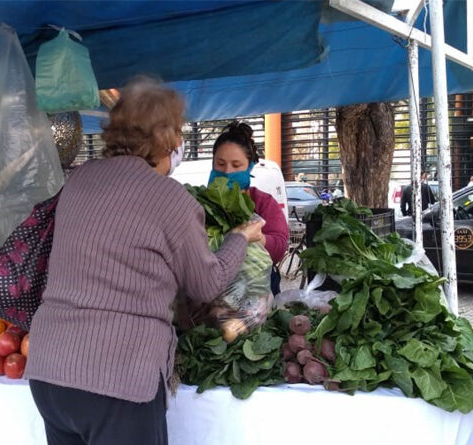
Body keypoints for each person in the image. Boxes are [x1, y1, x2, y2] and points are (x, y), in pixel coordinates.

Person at [25, 78, 264, 445]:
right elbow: (207, 283)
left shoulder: (79, 180)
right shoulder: (171, 200)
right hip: (116, 377)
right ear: (168, 139)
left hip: (51, 371)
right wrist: (238, 238)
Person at [209, 122, 289, 266]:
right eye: (220, 164)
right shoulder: (200, 202)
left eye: (236, 165)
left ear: (250, 166)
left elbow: (279, 248)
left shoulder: (263, 203)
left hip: (254, 286)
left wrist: (258, 238)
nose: (227, 172)